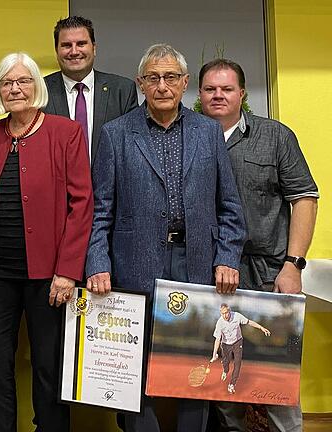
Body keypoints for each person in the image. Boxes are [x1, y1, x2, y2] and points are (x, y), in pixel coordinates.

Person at [85, 43, 246, 432]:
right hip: (134, 264)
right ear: (141, 83)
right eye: (153, 78)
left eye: (171, 77)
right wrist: (98, 263)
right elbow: (100, 209)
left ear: (185, 83)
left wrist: (227, 257)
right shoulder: (116, 134)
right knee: (133, 370)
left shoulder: (208, 132)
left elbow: (230, 205)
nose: (162, 85)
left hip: (197, 262)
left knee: (195, 365)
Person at [0, 52, 93, 432]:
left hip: (50, 278)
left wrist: (68, 271)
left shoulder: (65, 132)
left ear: (37, 87)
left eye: (23, 81)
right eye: (7, 82)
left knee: (49, 367)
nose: (15, 89)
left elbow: (82, 204)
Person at [199, 58, 318, 432]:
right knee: (223, 382)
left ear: (242, 94)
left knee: (276, 379)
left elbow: (305, 198)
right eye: (210, 89)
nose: (218, 95)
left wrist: (293, 264)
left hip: (268, 273)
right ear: (199, 94)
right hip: (210, 274)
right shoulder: (190, 138)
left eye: (227, 88)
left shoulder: (276, 137)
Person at [43, 15, 137, 161]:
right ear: (56, 51)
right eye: (66, 45)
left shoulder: (122, 90)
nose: (74, 51)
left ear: (94, 48)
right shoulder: (40, 91)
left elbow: (131, 150)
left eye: (81, 44)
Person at [210, 304, 271, 395]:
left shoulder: (237, 316)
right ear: (220, 313)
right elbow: (217, 339)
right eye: (223, 313)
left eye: (226, 312)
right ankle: (225, 371)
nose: (225, 315)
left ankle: (232, 384)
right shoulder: (219, 323)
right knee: (226, 362)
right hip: (226, 344)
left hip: (237, 342)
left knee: (237, 364)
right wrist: (214, 354)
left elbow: (249, 322)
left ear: (229, 311)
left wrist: (261, 328)